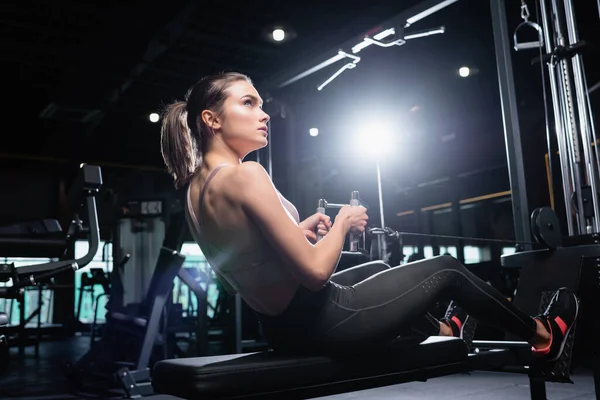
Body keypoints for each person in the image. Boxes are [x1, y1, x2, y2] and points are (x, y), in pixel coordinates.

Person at [160, 71, 578, 361]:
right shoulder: (246, 174)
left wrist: (299, 229)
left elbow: (247, 259)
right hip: (322, 320)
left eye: (262, 104)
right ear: (211, 119)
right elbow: (314, 274)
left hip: (281, 327)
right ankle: (544, 336)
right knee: (447, 270)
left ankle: (446, 331)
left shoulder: (197, 190)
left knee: (374, 265)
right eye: (248, 103)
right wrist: (342, 222)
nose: (264, 114)